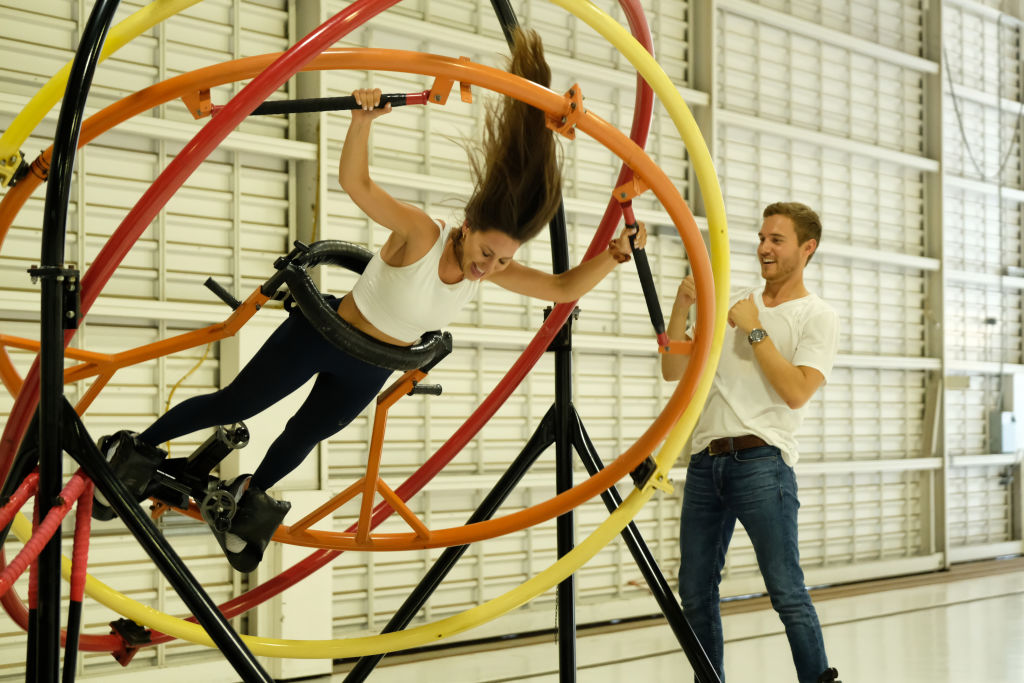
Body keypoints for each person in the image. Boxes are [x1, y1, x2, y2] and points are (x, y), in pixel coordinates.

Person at [93, 28, 646, 572]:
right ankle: (133, 449)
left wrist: (616, 255)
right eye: (487, 252)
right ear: (470, 224)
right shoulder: (424, 234)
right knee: (237, 405)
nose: (489, 267)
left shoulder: (488, 271)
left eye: (502, 260)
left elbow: (561, 289)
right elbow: (358, 185)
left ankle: (244, 496)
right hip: (320, 338)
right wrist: (362, 123)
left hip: (370, 369)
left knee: (305, 434)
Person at [662, 202, 840, 683]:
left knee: (786, 590)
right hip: (705, 463)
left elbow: (797, 391)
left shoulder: (815, 316)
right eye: (762, 237)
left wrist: (755, 328)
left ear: (807, 248)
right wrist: (682, 307)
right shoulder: (733, 301)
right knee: (695, 592)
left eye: (776, 240)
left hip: (763, 464)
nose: (763, 247)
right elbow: (674, 370)